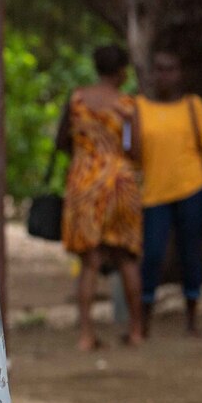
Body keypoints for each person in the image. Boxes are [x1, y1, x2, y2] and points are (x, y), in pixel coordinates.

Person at [135, 50, 202, 337]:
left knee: (190, 253)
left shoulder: (194, 106)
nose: (163, 75)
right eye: (158, 69)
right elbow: (129, 149)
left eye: (169, 69)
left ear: (179, 73)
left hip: (191, 190)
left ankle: (192, 320)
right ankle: (143, 321)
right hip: (154, 194)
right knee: (153, 255)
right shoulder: (138, 108)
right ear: (151, 73)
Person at [57, 44, 144, 351]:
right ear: (121, 71)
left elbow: (62, 140)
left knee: (89, 261)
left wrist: (85, 155)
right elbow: (132, 148)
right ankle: (135, 331)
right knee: (126, 257)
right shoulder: (126, 105)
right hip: (119, 182)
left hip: (84, 182)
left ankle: (85, 334)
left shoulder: (77, 99)